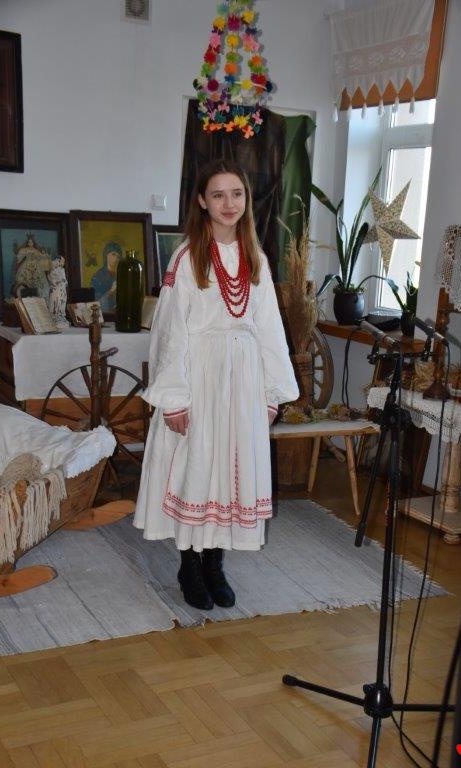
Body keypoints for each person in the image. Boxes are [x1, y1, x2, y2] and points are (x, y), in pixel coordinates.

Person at [134, 159, 299, 610]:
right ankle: (189, 565)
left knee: (229, 471)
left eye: (237, 194)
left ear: (247, 200)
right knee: (198, 467)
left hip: (242, 381)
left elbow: (270, 329)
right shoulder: (188, 257)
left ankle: (214, 563)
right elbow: (170, 331)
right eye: (219, 195)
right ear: (202, 201)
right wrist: (174, 398)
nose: (229, 203)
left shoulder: (255, 257)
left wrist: (271, 394)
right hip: (199, 376)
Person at [91, 241, 122, 312]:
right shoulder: (98, 277)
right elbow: (94, 304)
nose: (116, 259)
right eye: (113, 254)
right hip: (105, 315)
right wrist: (111, 291)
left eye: (118, 256)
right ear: (106, 255)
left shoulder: (121, 275)